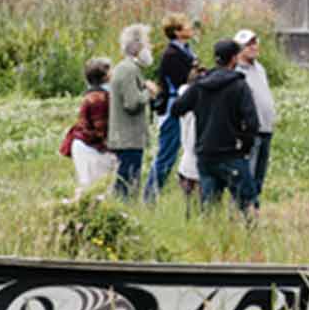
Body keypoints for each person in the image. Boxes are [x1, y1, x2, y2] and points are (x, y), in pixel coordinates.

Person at [168, 37, 262, 210]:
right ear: (234, 58)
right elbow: (252, 122)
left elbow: (176, 109)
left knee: (209, 207)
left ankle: (210, 235)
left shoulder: (200, 85)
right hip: (232, 153)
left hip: (205, 154)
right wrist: (245, 146)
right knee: (247, 204)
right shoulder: (239, 85)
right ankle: (248, 235)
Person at [145, 13, 200, 201]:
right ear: (177, 32)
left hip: (185, 106)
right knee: (167, 155)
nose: (191, 27)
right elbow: (183, 82)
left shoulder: (187, 51)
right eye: (186, 25)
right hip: (173, 108)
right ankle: (149, 197)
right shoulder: (172, 55)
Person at [106, 24, 155, 199]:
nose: (150, 48)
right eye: (147, 44)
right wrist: (149, 92)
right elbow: (132, 103)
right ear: (137, 47)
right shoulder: (129, 70)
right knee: (126, 185)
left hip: (126, 138)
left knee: (126, 183)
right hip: (128, 139)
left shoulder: (125, 68)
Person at [231, 30, 275, 212]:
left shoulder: (260, 68)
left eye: (255, 42)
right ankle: (243, 211)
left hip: (266, 129)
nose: (254, 47)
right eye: (249, 44)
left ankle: (254, 209)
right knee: (246, 175)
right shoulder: (236, 73)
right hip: (250, 131)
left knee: (259, 176)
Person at [68, 57, 114, 191]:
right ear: (105, 76)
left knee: (92, 188)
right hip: (90, 148)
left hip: (87, 145)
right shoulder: (98, 98)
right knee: (93, 189)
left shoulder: (95, 94)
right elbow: (101, 129)